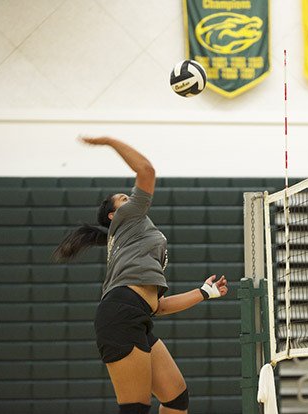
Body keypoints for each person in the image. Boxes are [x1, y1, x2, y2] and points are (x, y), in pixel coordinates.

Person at [53, 136, 229, 414]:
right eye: (123, 198)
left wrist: (204, 293)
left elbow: (156, 306)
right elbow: (146, 170)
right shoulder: (128, 218)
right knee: (135, 408)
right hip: (120, 315)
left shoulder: (138, 240)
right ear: (113, 215)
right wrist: (109, 141)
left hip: (137, 315)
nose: (130, 197)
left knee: (175, 398)